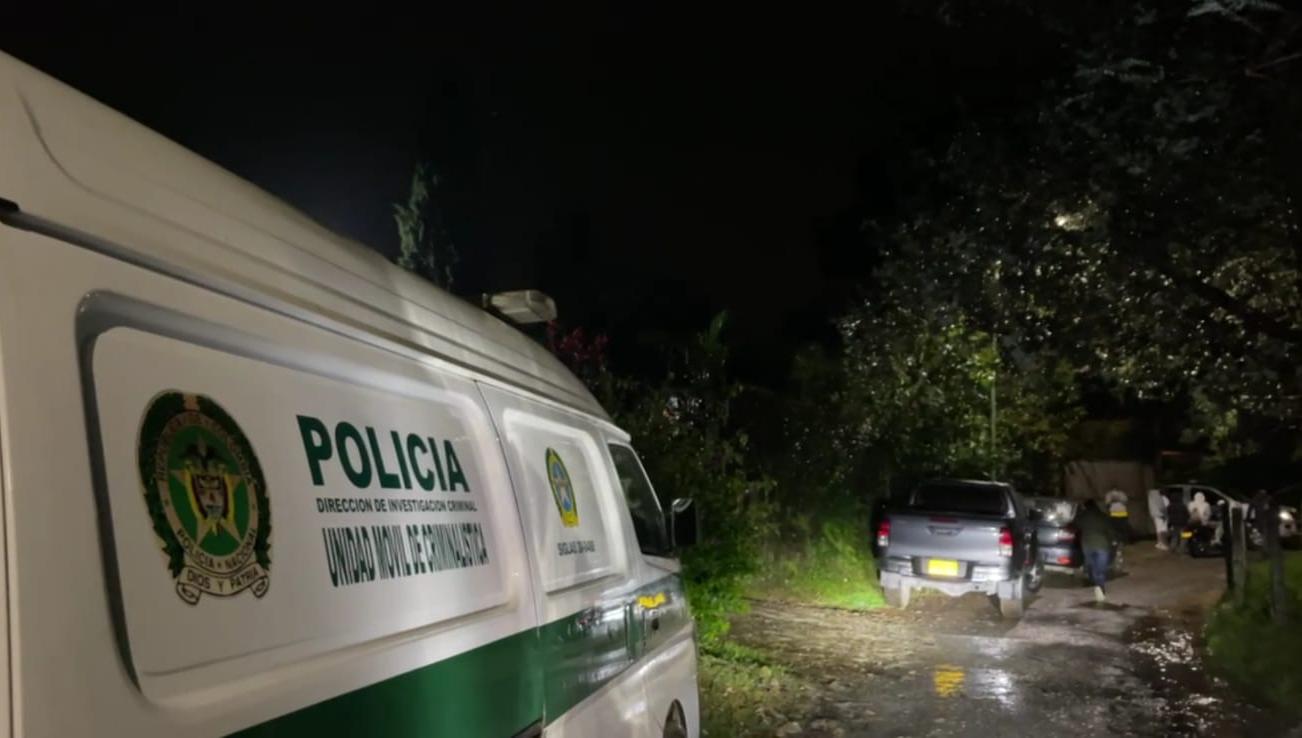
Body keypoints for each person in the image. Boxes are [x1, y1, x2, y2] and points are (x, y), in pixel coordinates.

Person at [1076, 499, 1118, 603]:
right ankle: (1100, 588)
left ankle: (1096, 582)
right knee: (1100, 570)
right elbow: (1110, 530)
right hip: (1102, 546)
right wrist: (1113, 541)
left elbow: (1076, 526)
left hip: (1087, 545)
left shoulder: (1082, 517)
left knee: (1092, 565)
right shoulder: (1103, 516)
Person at [1167, 488, 1190, 554]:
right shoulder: (1183, 506)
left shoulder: (1169, 506)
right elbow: (1187, 515)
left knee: (1174, 536)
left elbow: (1169, 515)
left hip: (1174, 523)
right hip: (1183, 523)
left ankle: (1172, 548)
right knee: (1184, 537)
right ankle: (1182, 549)